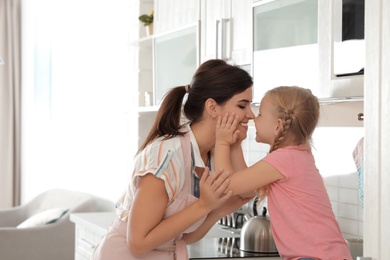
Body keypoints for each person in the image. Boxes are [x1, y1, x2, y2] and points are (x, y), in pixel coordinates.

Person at [92, 59, 255, 260]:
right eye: (242, 105)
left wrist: (218, 210)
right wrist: (204, 205)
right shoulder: (167, 155)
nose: (251, 115)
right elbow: (137, 242)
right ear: (212, 107)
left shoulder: (212, 154)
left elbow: (184, 236)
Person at [215, 86, 352, 260]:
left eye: (260, 114)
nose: (253, 119)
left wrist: (221, 143)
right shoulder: (296, 154)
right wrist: (235, 144)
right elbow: (245, 187)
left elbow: (228, 184)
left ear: (278, 125)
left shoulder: (284, 159)